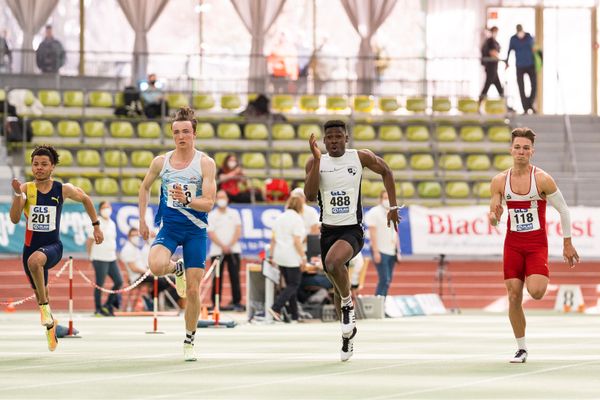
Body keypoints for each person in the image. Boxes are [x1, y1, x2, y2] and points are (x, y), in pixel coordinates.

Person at [304, 120, 400, 361]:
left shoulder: (360, 157)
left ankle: (348, 305)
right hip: (328, 231)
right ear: (324, 141)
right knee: (337, 286)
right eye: (330, 137)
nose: (334, 140)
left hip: (352, 230)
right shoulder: (317, 162)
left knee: (335, 264)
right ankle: (347, 338)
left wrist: (393, 205)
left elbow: (387, 171)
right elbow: (308, 195)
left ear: (346, 138)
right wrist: (316, 160)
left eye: (338, 136)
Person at [488, 127, 579, 363]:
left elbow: (564, 210)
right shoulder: (499, 181)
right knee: (513, 295)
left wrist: (567, 243)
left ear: (532, 152)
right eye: (517, 147)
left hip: (537, 244)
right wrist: (494, 216)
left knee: (536, 292)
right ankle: (521, 347)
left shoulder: (542, 179)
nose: (521, 152)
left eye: (525, 148)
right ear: (511, 150)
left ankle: (534, 281)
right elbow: (495, 217)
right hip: (513, 244)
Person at [138, 106, 216, 362]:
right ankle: (176, 269)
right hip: (170, 228)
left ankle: (189, 339)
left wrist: (189, 199)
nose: (181, 136)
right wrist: (143, 219)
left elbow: (209, 203)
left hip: (196, 231)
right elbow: (144, 188)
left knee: (193, 291)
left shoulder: (205, 163)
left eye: (185, 131)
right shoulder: (161, 162)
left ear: (194, 133)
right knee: (156, 265)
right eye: (176, 132)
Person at [9, 145, 103, 351]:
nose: (39, 168)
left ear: (52, 167)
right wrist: (17, 196)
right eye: (35, 164)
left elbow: (86, 199)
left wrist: (96, 225)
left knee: (36, 261)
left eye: (44, 164)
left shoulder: (62, 189)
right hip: (29, 248)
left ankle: (44, 309)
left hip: (52, 247)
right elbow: (15, 219)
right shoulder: (26, 189)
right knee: (41, 288)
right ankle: (51, 328)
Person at [268, 195, 307, 323]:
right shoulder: (297, 219)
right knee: (294, 284)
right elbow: (297, 241)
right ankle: (276, 307)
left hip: (279, 255)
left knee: (290, 285)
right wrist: (303, 257)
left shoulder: (279, 217)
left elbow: (273, 239)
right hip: (291, 256)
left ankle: (295, 316)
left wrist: (272, 256)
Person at [207, 190, 243, 311]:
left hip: (233, 250)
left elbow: (238, 230)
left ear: (227, 199)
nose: (222, 199)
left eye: (223, 197)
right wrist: (222, 246)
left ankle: (237, 302)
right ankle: (215, 302)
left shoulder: (234, 213)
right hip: (217, 251)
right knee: (217, 277)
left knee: (235, 277)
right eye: (219, 197)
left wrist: (230, 245)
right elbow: (211, 233)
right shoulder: (212, 215)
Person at [86, 201, 122, 316]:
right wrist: (90, 257)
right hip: (99, 257)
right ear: (100, 209)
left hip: (111, 257)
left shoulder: (112, 223)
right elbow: (90, 241)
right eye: (104, 207)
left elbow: (112, 240)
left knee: (119, 281)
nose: (107, 209)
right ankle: (98, 309)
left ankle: (107, 305)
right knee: (99, 284)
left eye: (109, 207)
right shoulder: (96, 222)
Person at [365, 190, 401, 297]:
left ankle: (382, 304)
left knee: (388, 281)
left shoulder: (394, 212)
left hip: (391, 251)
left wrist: (397, 250)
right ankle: (378, 303)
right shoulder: (374, 212)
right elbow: (372, 233)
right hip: (380, 250)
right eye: (385, 198)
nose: (388, 201)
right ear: (380, 199)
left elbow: (395, 232)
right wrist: (376, 251)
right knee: (384, 279)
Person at [506, 24, 536, 114]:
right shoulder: (513, 39)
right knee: (521, 87)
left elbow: (535, 49)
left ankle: (529, 104)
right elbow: (509, 50)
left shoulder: (529, 37)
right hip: (519, 66)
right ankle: (525, 108)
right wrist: (507, 62)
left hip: (530, 64)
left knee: (534, 86)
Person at [479, 26, 504, 106]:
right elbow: (493, 53)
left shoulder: (495, 42)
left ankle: (505, 105)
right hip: (490, 69)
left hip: (494, 68)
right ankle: (479, 103)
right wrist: (501, 59)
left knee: (499, 89)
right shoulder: (489, 42)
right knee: (486, 88)